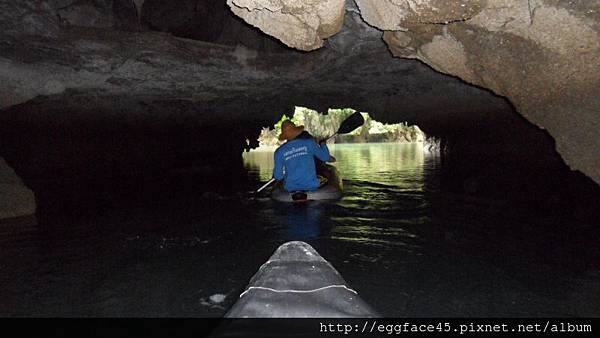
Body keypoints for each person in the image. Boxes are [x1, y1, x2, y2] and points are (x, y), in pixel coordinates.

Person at [273, 120, 335, 192]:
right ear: (297, 132)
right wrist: (323, 145)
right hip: (312, 186)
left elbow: (278, 176)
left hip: (290, 188)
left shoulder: (279, 152)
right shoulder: (309, 143)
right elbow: (325, 157)